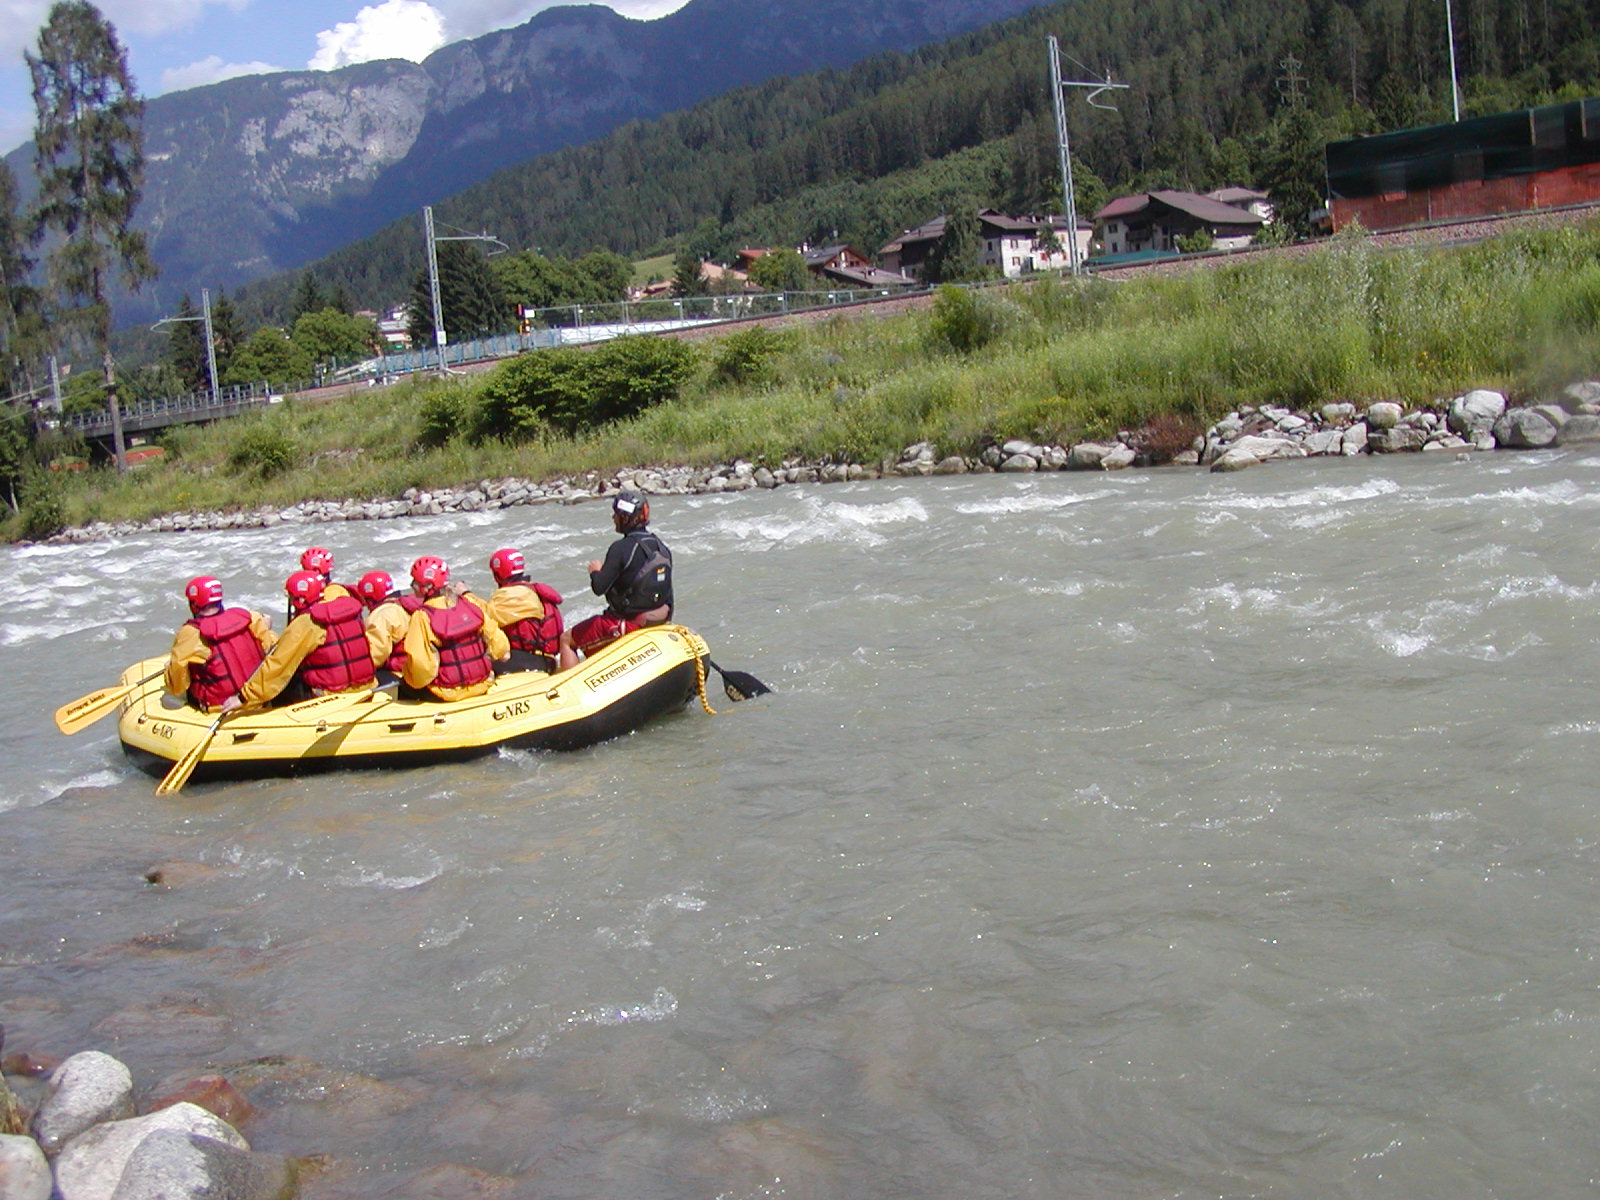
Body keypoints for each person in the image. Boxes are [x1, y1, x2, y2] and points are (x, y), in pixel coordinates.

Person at [222, 570, 376, 710]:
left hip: (327, 695)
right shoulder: (351, 612)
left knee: (284, 685)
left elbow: (279, 664)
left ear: (300, 599)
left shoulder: (307, 622)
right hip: (366, 686)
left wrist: (244, 697)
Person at [566, 491, 674, 656]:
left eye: (616, 514)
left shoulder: (620, 548)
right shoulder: (660, 546)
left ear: (625, 518)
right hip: (660, 618)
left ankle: (569, 680)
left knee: (566, 640)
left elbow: (599, 588)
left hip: (628, 622)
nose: (613, 518)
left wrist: (595, 571)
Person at [400, 556, 509, 701]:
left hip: (445, 692)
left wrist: (408, 678)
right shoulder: (469, 603)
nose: (412, 585)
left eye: (415, 582)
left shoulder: (422, 617)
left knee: (404, 688)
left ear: (427, 587)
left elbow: (422, 668)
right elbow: (500, 647)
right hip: (483, 683)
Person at [165, 576, 277, 712]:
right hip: (259, 699)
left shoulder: (191, 633)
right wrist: (267, 629)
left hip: (221, 708)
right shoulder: (251, 618)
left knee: (172, 696)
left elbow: (177, 687)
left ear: (193, 604)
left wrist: (168, 670)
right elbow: (272, 647)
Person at [484, 547, 576, 674]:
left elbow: (481, 619)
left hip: (528, 661)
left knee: (483, 662)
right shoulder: (536, 591)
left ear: (498, 575)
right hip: (549, 659)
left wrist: (465, 595)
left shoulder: (508, 597)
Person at [357, 569, 421, 685]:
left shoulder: (382, 615)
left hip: (400, 672)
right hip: (418, 668)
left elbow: (376, 655)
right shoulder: (406, 605)